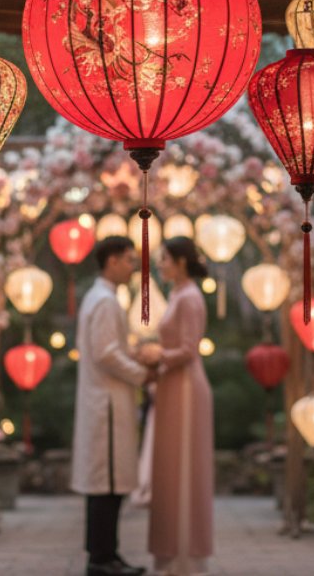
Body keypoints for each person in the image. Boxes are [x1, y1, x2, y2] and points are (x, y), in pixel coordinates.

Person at [71, 236, 155, 576]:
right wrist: (141, 374)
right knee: (106, 484)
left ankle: (107, 554)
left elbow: (107, 348)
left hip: (106, 399)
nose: (132, 266)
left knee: (110, 484)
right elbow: (106, 354)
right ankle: (102, 558)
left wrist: (131, 356)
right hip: (105, 402)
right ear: (111, 261)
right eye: (127, 259)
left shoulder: (101, 297)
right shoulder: (105, 301)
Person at [141, 237, 214, 575]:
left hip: (185, 386)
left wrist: (158, 355)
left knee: (183, 466)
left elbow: (188, 349)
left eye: (165, 259)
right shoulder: (177, 295)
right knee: (170, 466)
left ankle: (185, 553)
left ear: (182, 262)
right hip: (172, 384)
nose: (160, 264)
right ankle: (171, 550)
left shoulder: (190, 297)